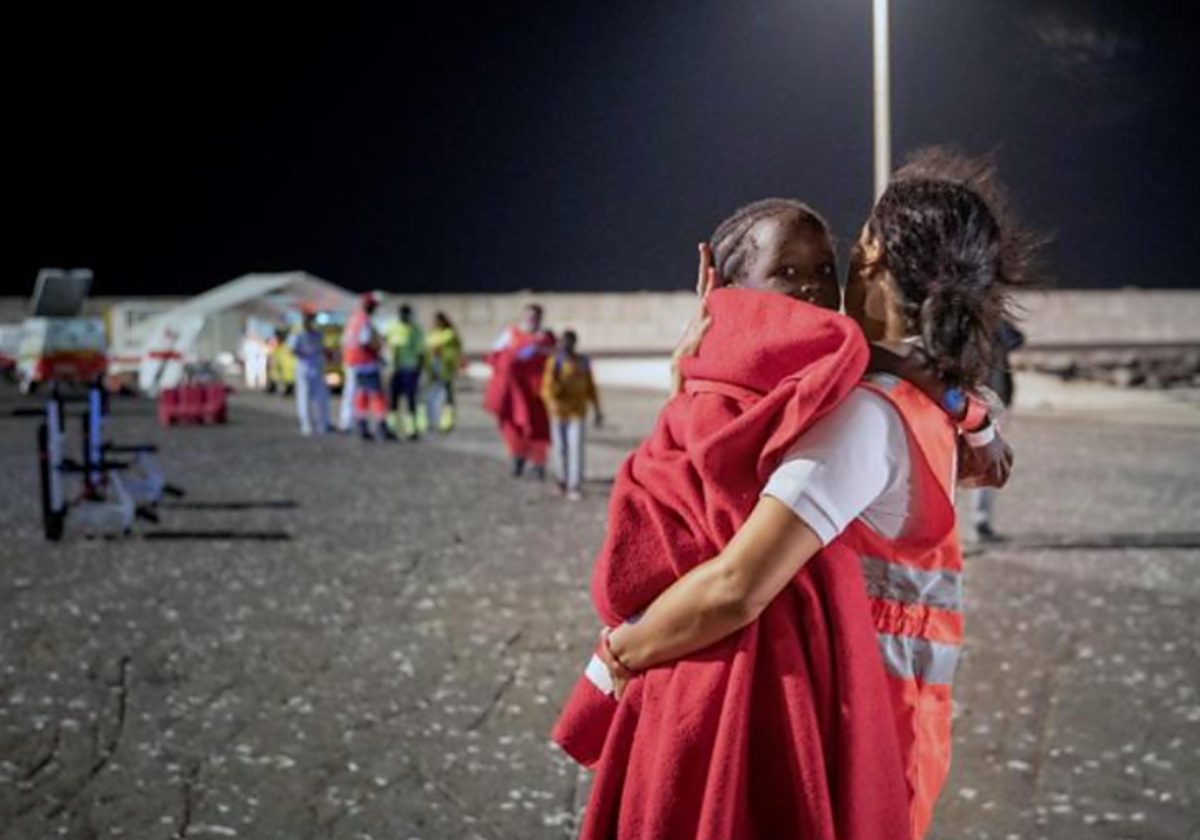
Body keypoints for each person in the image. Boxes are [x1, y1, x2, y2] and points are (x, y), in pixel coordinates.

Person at [563, 153, 1036, 840]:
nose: (820, 290)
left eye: (836, 265)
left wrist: (617, 657)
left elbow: (735, 585)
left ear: (874, 262)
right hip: (893, 718)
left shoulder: (861, 417)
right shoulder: (920, 401)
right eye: (792, 272)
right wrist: (695, 377)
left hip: (844, 729)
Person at [964, 318, 1025, 543]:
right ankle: (976, 522)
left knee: (985, 462)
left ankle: (979, 522)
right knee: (981, 461)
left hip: (989, 400)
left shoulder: (993, 324)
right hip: (977, 400)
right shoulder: (969, 323)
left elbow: (1017, 339)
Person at [484, 303, 555, 478]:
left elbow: (554, 357)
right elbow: (496, 357)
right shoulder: (511, 334)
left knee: (538, 428)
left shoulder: (546, 337)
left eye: (535, 316)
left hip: (536, 392)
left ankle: (538, 463)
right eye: (528, 316)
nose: (531, 319)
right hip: (514, 392)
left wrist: (540, 349)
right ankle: (518, 458)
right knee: (513, 428)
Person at [541, 330, 603, 500]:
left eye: (569, 342)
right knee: (560, 447)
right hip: (558, 411)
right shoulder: (555, 361)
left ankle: (574, 484)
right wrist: (552, 402)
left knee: (576, 448)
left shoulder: (583, 361)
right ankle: (561, 480)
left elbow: (590, 386)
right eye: (563, 342)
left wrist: (597, 409)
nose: (565, 346)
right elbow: (547, 387)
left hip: (577, 411)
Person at [342, 292, 395, 442]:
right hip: (367, 363)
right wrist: (379, 348)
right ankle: (381, 426)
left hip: (355, 363)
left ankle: (362, 426)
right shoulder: (364, 320)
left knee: (361, 395)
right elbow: (365, 340)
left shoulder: (354, 319)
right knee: (377, 395)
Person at [287, 310, 331, 435]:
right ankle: (306, 425)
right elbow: (291, 349)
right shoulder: (297, 333)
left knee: (321, 397)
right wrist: (304, 352)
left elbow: (323, 348)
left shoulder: (317, 334)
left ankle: (323, 424)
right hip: (304, 367)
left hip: (317, 367)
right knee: (304, 397)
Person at [384, 303, 425, 440]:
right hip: (394, 369)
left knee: (410, 400)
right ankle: (391, 428)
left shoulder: (415, 330)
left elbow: (421, 351)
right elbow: (385, 344)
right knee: (393, 400)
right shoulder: (392, 327)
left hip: (410, 369)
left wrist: (420, 370)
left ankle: (411, 429)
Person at [425, 311, 462, 432]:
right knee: (432, 397)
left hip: (445, 369)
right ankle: (432, 421)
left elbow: (456, 351)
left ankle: (447, 422)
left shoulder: (450, 334)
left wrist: (454, 366)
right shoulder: (432, 334)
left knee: (447, 398)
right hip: (433, 369)